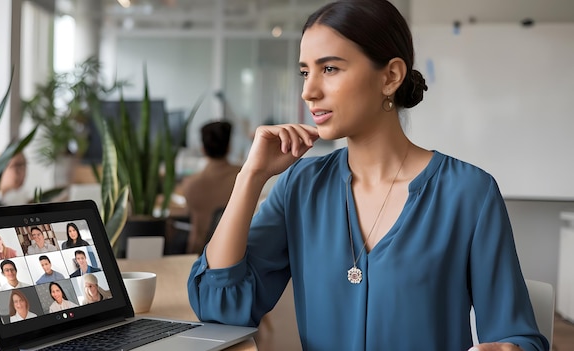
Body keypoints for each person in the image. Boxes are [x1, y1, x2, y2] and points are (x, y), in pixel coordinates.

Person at [187, 1, 549, 351]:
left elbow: (518, 336)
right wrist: (251, 176)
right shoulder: (300, 186)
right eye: (305, 71)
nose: (308, 91)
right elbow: (219, 307)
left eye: (329, 69)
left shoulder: (469, 193)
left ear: (390, 76)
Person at [179, 121, 241, 254]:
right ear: (229, 147)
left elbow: (186, 212)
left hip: (198, 253)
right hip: (232, 252)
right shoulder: (243, 177)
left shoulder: (190, 183)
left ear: (203, 149)